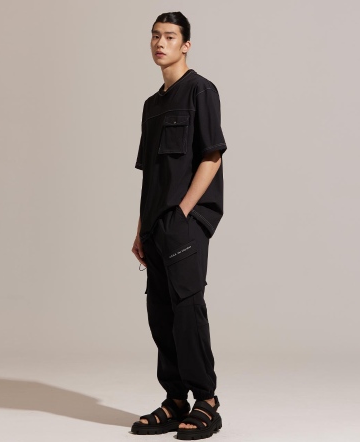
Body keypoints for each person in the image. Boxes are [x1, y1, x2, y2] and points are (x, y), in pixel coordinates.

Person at [130, 11, 227, 440]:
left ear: (185, 45)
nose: (160, 43)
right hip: (154, 224)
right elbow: (150, 174)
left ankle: (207, 401)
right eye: (156, 36)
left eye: (170, 36)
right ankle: (174, 400)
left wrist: (183, 212)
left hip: (184, 222)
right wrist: (141, 228)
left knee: (187, 311)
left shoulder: (200, 90)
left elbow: (212, 155)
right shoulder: (152, 106)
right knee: (161, 313)